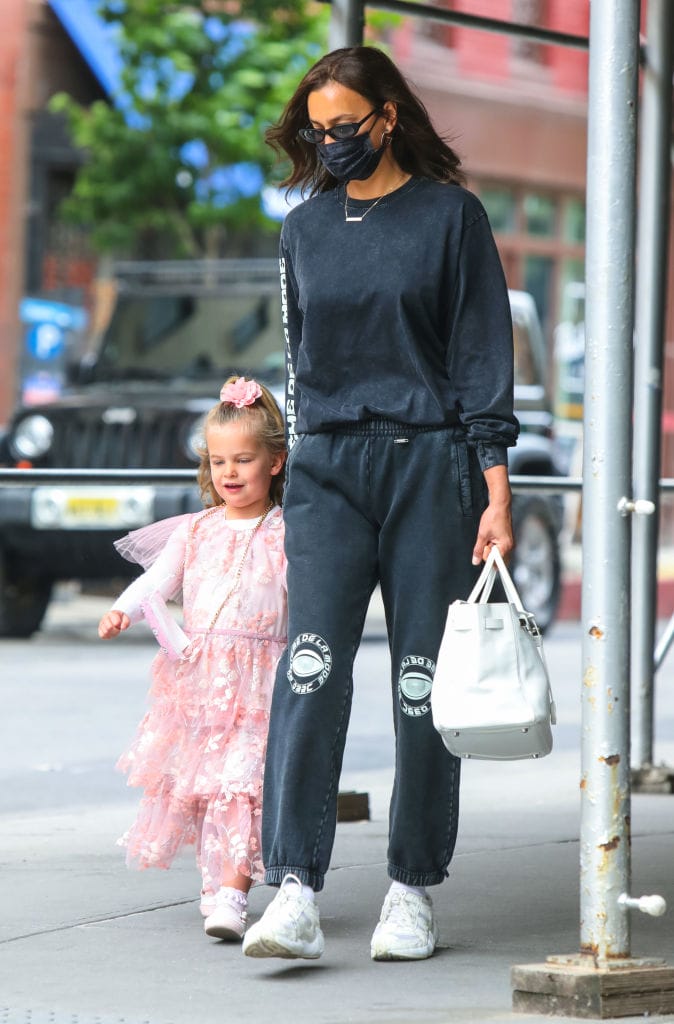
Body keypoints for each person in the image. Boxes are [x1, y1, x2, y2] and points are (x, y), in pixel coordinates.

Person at [241, 46, 519, 963]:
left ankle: (412, 888)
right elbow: (300, 357)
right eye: (318, 131)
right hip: (327, 470)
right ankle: (295, 888)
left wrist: (495, 493)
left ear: (388, 117)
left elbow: (482, 360)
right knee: (310, 674)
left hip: (429, 466)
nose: (331, 144)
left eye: (345, 128)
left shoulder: (452, 218)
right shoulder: (303, 228)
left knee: (418, 687)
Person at [98, 376, 287, 942]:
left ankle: (234, 891)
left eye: (245, 460)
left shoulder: (286, 530)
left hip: (259, 680)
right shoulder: (196, 530)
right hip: (201, 678)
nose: (230, 473)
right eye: (220, 460)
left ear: (275, 463)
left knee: (243, 784)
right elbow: (158, 581)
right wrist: (122, 611)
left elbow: (306, 595)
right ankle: (213, 887)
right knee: (206, 786)